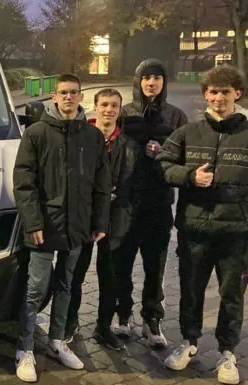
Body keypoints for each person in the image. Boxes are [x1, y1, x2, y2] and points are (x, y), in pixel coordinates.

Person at [158, 66, 248, 385]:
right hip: (194, 232)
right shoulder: (188, 133)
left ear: (237, 94)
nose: (218, 98)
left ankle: (227, 353)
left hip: (236, 237)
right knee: (190, 291)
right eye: (213, 92)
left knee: (232, 296)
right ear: (205, 95)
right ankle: (189, 343)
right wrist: (189, 176)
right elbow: (164, 165)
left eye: (225, 92)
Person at [13, 73, 111, 382]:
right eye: (63, 93)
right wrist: (33, 222)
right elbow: (24, 182)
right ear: (54, 97)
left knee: (68, 285)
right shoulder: (37, 133)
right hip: (44, 226)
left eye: (74, 92)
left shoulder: (92, 137)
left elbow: (101, 185)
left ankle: (57, 341)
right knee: (35, 288)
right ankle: (25, 347)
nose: (68, 97)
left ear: (81, 97)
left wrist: (99, 222)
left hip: (79, 226)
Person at [117, 58, 188, 350]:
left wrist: (163, 153)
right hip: (127, 202)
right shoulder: (125, 113)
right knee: (121, 262)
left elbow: (186, 158)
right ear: (138, 81)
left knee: (154, 265)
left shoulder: (176, 117)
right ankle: (123, 313)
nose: (151, 82)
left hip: (159, 203)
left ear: (163, 82)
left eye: (157, 77)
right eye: (146, 77)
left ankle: (152, 317)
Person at [64, 88, 141, 351]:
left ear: (120, 111)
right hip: (84, 217)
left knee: (110, 276)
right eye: (104, 104)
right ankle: (70, 322)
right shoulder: (80, 138)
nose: (109, 110)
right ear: (95, 107)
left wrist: (116, 194)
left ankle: (103, 326)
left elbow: (131, 183)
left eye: (114, 106)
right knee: (75, 272)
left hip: (115, 218)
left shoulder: (129, 146)